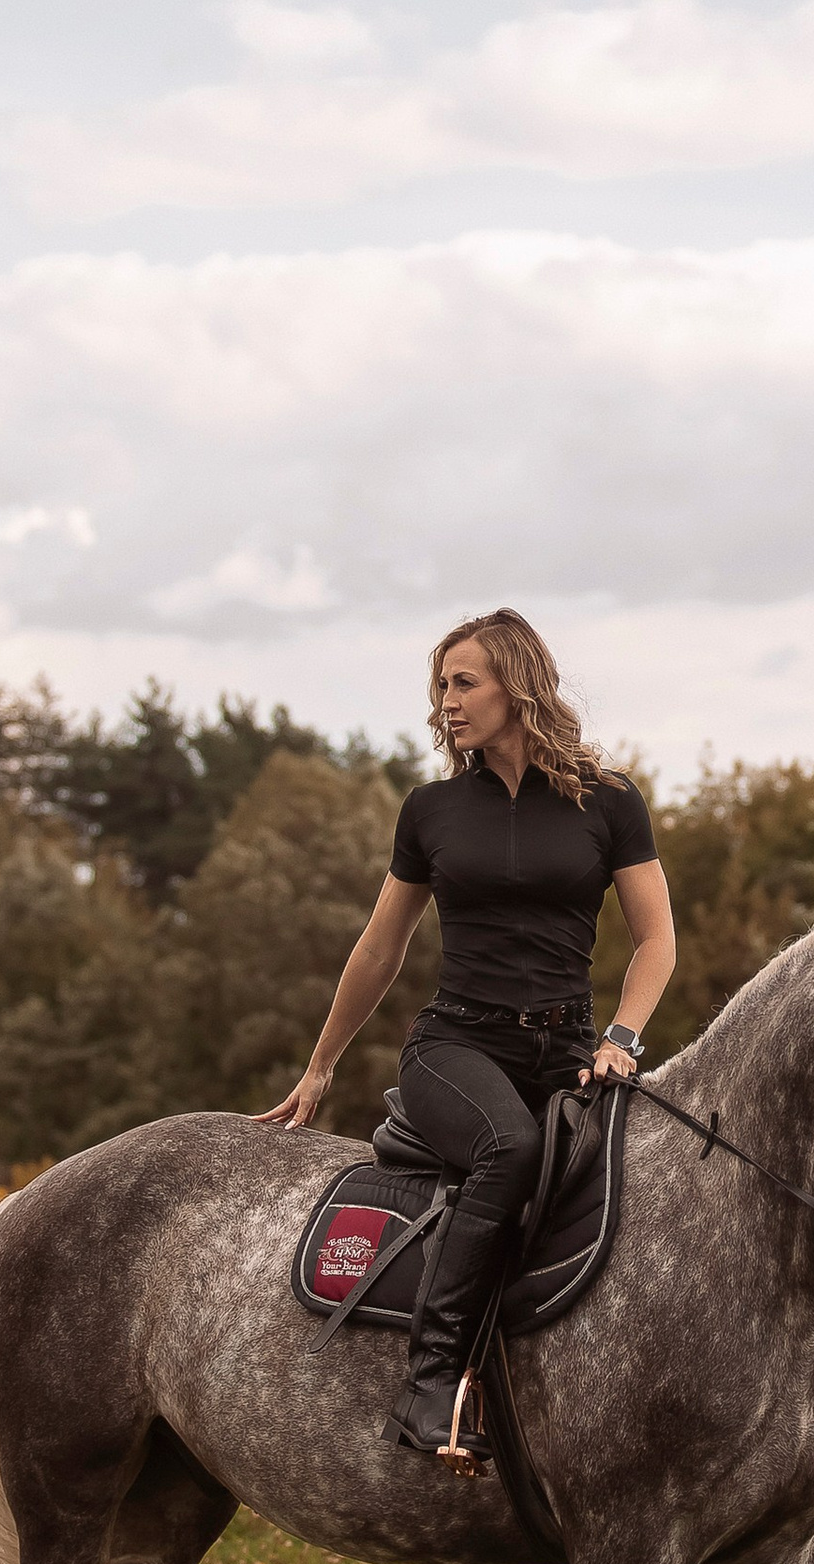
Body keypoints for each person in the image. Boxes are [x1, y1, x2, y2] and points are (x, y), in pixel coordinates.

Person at [258, 608, 676, 1464]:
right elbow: (382, 946)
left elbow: (657, 940)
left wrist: (624, 1038)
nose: (446, 703)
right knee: (510, 1150)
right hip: (456, 1048)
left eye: (464, 683)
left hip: (571, 1051)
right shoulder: (433, 809)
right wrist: (321, 1064)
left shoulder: (610, 802)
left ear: (516, 685)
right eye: (441, 686)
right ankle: (433, 1383)